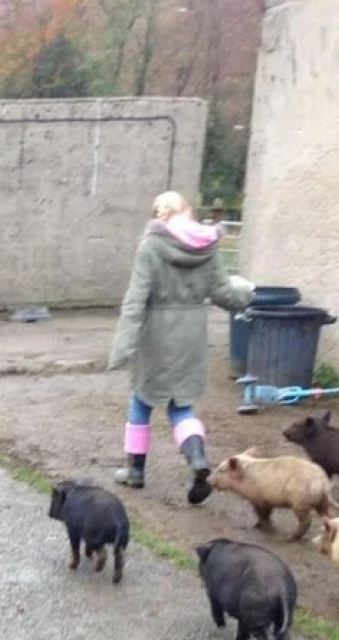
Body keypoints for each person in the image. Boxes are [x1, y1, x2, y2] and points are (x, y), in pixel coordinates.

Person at [107, 191, 254, 504]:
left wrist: (123, 344)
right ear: (187, 211)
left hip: (156, 330)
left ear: (159, 215)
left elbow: (136, 297)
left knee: (142, 398)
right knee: (181, 404)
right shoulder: (208, 245)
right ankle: (197, 460)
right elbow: (223, 293)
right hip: (192, 331)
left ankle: (135, 471)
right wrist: (247, 296)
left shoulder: (150, 245)